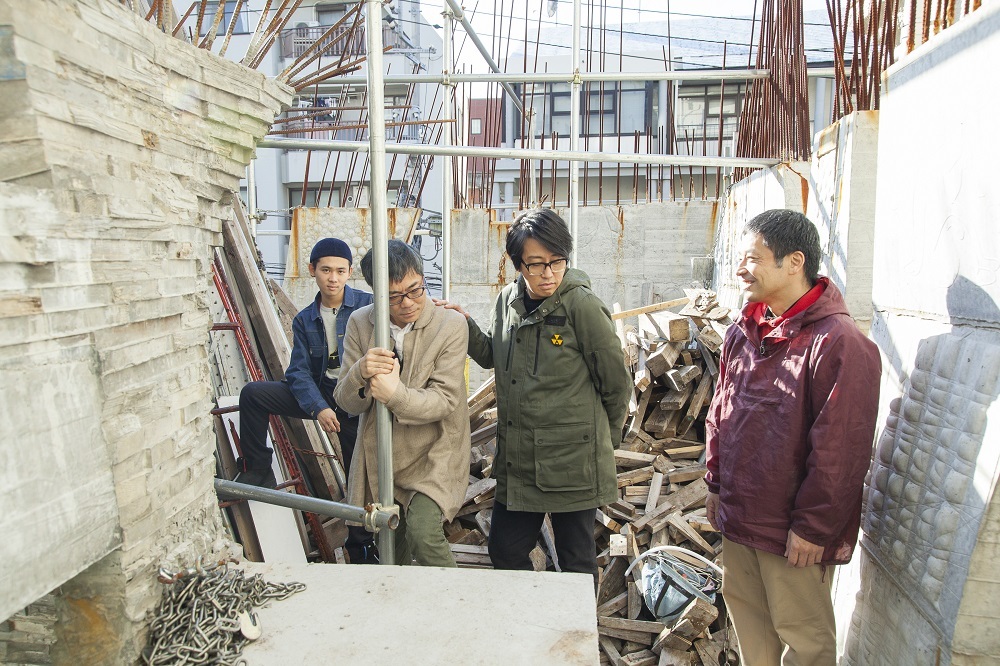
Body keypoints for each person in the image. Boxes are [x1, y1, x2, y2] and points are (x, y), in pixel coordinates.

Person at [704, 209, 881, 665]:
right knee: (752, 631)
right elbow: (721, 413)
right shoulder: (743, 334)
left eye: (753, 258)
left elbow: (841, 450)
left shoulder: (838, 342)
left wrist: (813, 527)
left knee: (805, 642)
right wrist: (716, 483)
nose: (741, 269)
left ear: (794, 261)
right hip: (741, 519)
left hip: (792, 534)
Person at [441, 208, 631, 579]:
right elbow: (493, 354)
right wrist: (461, 322)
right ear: (518, 264)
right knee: (505, 550)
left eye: (557, 262)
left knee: (576, 560)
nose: (548, 274)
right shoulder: (507, 302)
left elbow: (616, 382)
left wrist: (601, 444)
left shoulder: (582, 306)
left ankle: (576, 634)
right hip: (521, 460)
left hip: (572, 463)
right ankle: (533, 624)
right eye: (536, 264)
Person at [234, 237, 377, 564]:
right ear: (313, 270)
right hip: (322, 394)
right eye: (326, 270)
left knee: (358, 477)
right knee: (253, 395)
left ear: (349, 272)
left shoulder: (369, 306)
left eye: (340, 271)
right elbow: (297, 372)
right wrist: (319, 407)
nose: (333, 278)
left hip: (356, 398)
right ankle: (258, 470)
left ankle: (361, 549)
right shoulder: (304, 319)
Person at [334, 240, 471, 567]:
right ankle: (405, 610)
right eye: (394, 297)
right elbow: (345, 401)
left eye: (415, 290)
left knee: (424, 532)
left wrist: (394, 394)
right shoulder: (360, 322)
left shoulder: (450, 325)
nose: (408, 303)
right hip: (383, 456)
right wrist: (360, 372)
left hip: (435, 451)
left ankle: (457, 608)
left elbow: (445, 400)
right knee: (392, 547)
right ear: (375, 294)